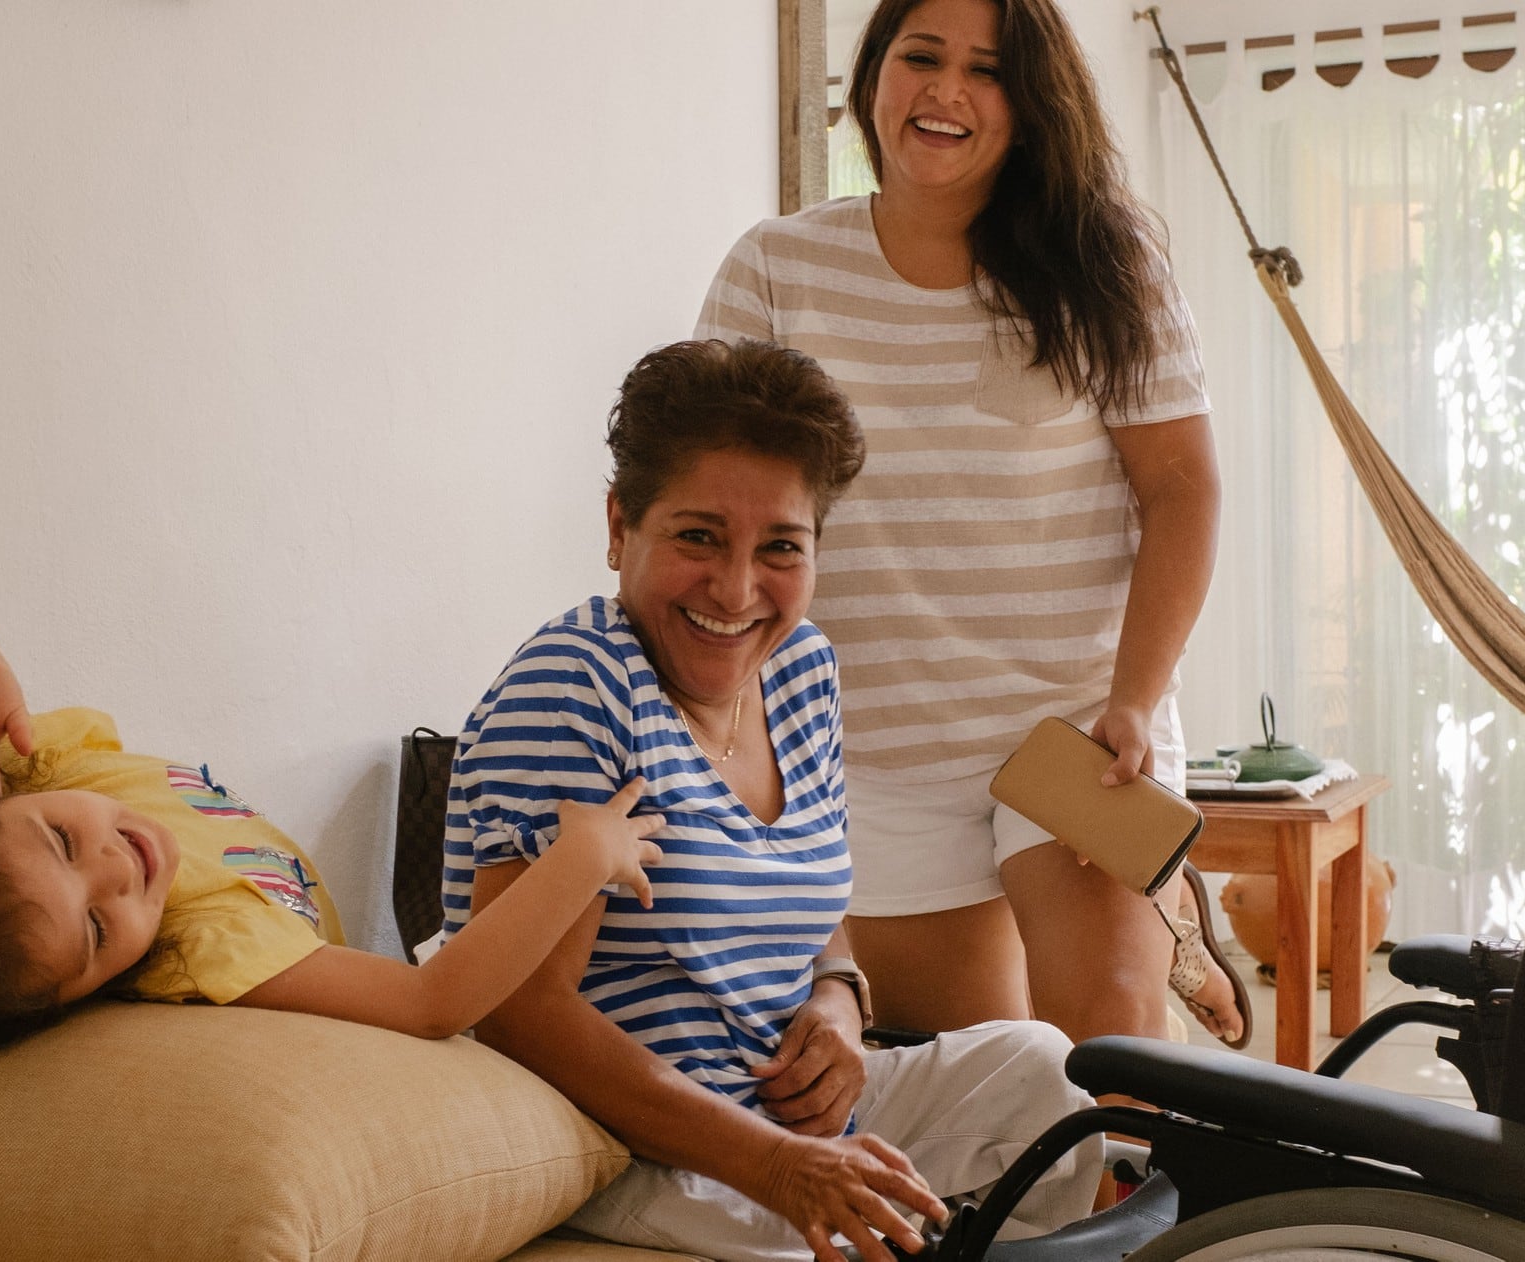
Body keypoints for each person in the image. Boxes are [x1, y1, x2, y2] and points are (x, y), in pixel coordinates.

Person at [442, 339, 1101, 1262]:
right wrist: (779, 1167)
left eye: (781, 547)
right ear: (619, 524)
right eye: (698, 536)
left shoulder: (801, 671)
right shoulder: (575, 686)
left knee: (1046, 1073)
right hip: (640, 1141)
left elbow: (808, 901)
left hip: (784, 1116)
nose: (737, 588)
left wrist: (837, 1001)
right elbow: (519, 1009)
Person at [694, 0, 1243, 1051]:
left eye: (986, 71)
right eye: (921, 57)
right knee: (1003, 1082)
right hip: (873, 745)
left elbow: (1181, 487)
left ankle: (1163, 918)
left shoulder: (1106, 266)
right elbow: (719, 496)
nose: (946, 91)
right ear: (871, 80)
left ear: (1030, 106)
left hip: (1070, 724)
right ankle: (1172, 909)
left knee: (1111, 1055)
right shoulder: (775, 268)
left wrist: (1132, 700)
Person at [0, 557, 664, 1060]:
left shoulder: (30, 771)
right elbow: (435, 1003)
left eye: (65, 845)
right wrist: (579, 861)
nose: (115, 872)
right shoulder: (206, 950)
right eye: (98, 932)